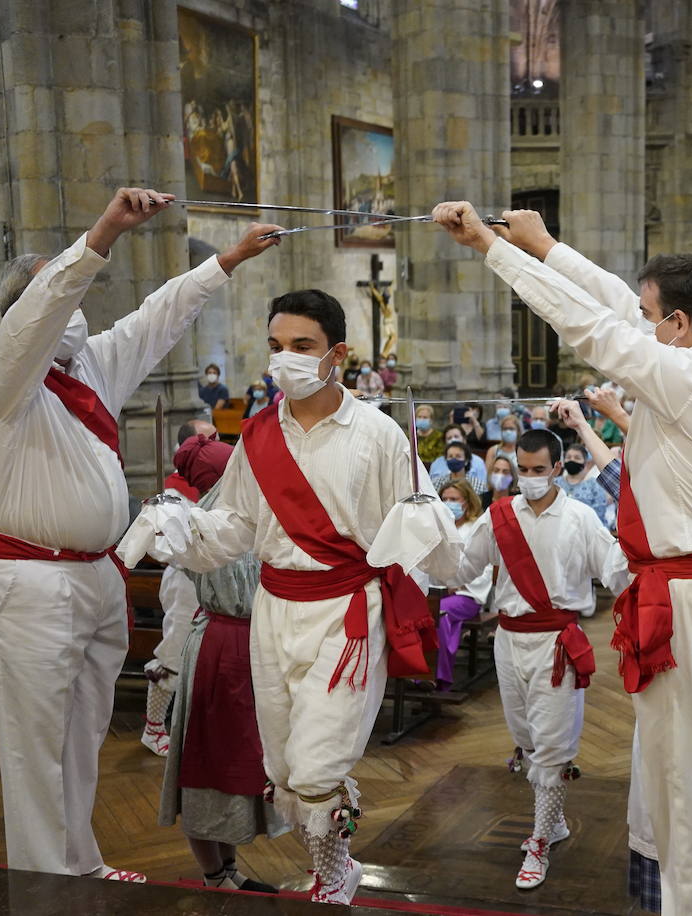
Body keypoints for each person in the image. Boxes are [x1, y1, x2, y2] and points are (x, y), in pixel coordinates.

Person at [433, 201, 692, 916]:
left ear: (678, 324)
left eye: (653, 315)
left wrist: (493, 248)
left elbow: (593, 327)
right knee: (677, 764)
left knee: (688, 776)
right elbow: (618, 305)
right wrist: (548, 247)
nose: (639, 320)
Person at [119, 288, 463, 905]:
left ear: (338, 353)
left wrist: (428, 522)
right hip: (273, 614)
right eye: (276, 347)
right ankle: (337, 867)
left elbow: (431, 536)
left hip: (347, 613)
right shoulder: (254, 437)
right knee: (280, 768)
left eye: (302, 347)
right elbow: (236, 530)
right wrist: (182, 527)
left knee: (317, 768)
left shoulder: (379, 435)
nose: (286, 360)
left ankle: (332, 877)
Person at [0, 187, 280, 883]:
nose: (77, 314)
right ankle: (45, 884)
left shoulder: (84, 367)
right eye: (64, 300)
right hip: (27, 583)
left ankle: (80, 861)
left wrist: (226, 260)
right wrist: (106, 229)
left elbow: (156, 318)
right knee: (34, 748)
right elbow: (45, 307)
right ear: (35, 309)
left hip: (93, 575)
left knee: (81, 734)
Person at [451, 428, 629, 890]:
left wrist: (645, 544)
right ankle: (555, 821)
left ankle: (540, 841)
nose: (528, 478)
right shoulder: (498, 517)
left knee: (551, 748)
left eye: (537, 470)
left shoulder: (581, 518)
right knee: (526, 738)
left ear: (556, 469)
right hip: (508, 640)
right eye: (521, 470)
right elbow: (462, 568)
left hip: (556, 644)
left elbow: (616, 571)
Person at [157, 433, 283, 895]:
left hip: (249, 645)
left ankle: (229, 869)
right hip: (218, 648)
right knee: (208, 761)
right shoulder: (199, 522)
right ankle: (213, 874)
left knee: (241, 760)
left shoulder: (245, 510)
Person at [141, 422, 222, 758]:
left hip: (216, 582)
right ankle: (153, 727)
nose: (215, 443)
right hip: (185, 583)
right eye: (208, 439)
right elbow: (160, 546)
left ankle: (197, 730)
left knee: (210, 659)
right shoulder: (173, 493)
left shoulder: (217, 481)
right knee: (174, 652)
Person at [432, 479, 492, 689]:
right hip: (438, 591)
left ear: (466, 501)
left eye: (454, 499)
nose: (449, 503)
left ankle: (438, 678)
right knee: (421, 612)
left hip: (466, 595)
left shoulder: (476, 528)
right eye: (445, 499)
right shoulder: (436, 528)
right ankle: (416, 673)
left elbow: (485, 569)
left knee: (439, 613)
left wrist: (459, 584)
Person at [557, 441, 611, 526]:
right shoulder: (556, 483)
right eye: (568, 457)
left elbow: (599, 514)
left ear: (585, 462)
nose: (572, 460)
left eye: (577, 458)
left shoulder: (595, 485)